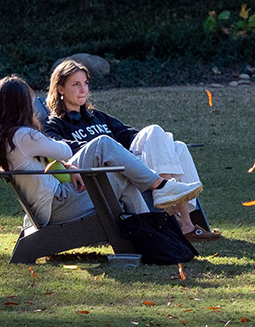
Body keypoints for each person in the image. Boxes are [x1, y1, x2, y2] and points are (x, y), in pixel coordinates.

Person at [0, 75, 202, 229]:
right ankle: (160, 191)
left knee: (117, 171)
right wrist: (68, 162)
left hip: (52, 202)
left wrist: (70, 166)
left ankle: (155, 230)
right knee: (103, 145)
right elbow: (65, 149)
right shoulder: (26, 136)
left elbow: (56, 159)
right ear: (21, 105)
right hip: (59, 205)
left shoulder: (9, 136)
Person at [43, 58, 221, 241]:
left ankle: (185, 221)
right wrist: (115, 152)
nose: (83, 90)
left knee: (177, 146)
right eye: (76, 84)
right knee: (156, 134)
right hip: (109, 173)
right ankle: (175, 208)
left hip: (132, 166)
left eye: (86, 84)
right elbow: (59, 148)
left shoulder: (96, 116)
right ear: (60, 88)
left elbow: (128, 134)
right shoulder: (54, 124)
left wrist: (159, 143)